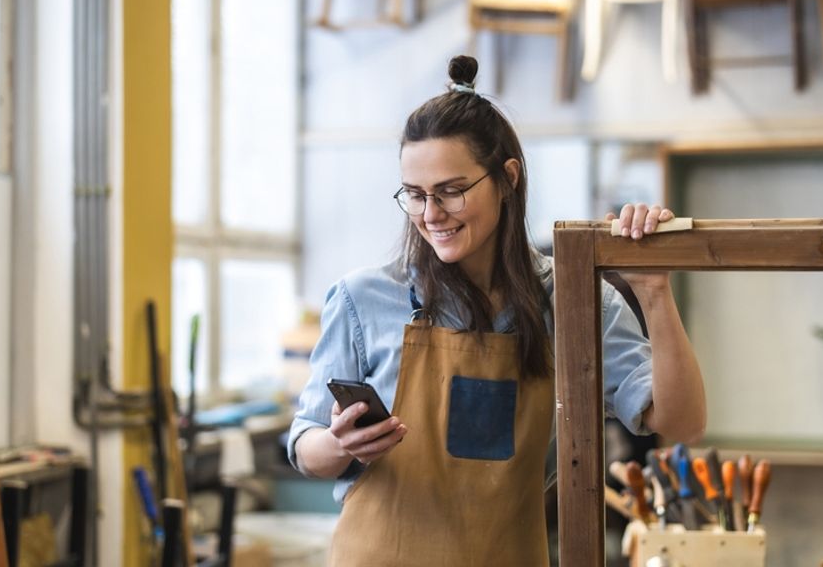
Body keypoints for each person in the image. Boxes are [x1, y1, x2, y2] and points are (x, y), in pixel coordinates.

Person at [287, 56, 706, 566]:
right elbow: (306, 446)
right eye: (415, 196)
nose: (431, 215)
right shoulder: (362, 299)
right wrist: (340, 444)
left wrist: (655, 292)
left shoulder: (572, 301)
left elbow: (682, 421)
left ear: (507, 178)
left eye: (451, 191)